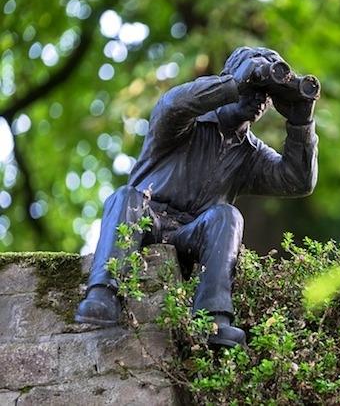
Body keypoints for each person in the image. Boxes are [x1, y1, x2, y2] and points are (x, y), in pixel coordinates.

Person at [75, 47, 319, 347]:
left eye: (267, 95)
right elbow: (173, 104)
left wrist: (301, 122)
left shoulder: (250, 153)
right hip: (144, 219)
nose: (260, 100)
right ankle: (102, 293)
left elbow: (297, 181)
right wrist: (232, 85)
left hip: (188, 237)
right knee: (126, 197)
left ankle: (213, 319)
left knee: (227, 215)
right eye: (255, 89)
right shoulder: (186, 120)